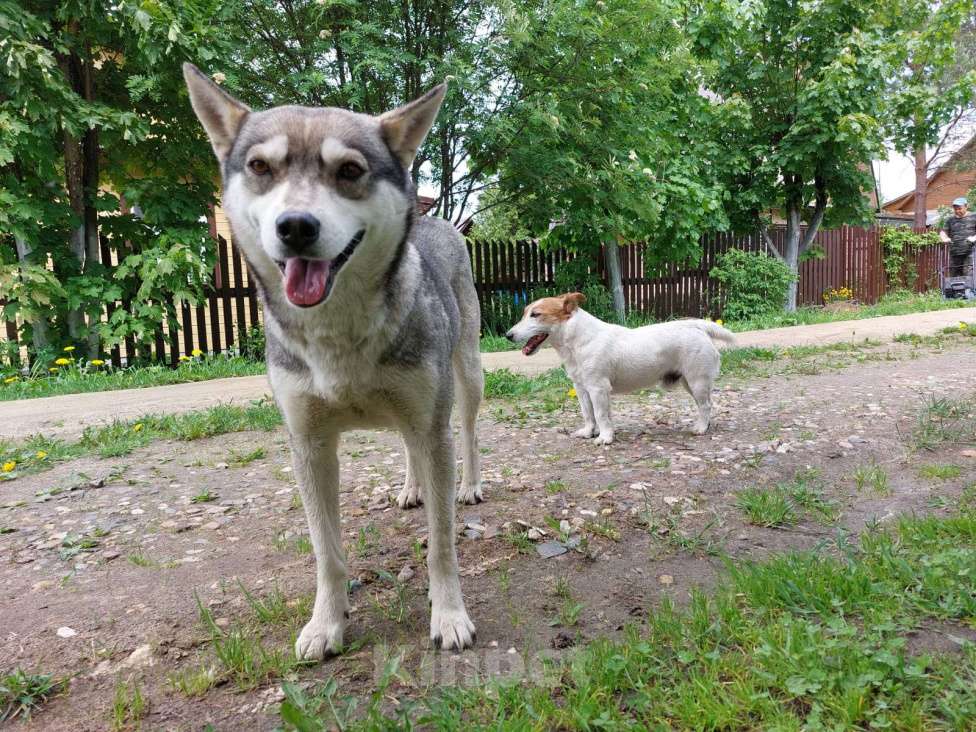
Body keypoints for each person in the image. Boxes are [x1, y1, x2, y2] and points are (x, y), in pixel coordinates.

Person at [939, 197, 976, 276]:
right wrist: (944, 238)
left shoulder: (974, 216)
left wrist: (974, 238)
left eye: (959, 208)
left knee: (968, 276)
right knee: (954, 277)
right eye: (955, 209)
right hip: (954, 253)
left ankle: (969, 289)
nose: (957, 211)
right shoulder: (950, 220)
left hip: (970, 252)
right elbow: (943, 232)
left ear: (966, 206)